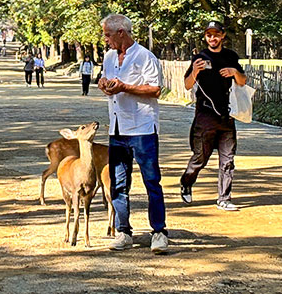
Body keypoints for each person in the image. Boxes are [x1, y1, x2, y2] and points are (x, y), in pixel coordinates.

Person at [98, 14, 168, 253]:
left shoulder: (145, 57)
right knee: (118, 184)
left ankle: (159, 231)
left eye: (108, 34)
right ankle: (123, 231)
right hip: (117, 128)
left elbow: (156, 90)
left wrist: (125, 86)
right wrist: (105, 86)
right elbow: (110, 86)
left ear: (121, 33)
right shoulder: (108, 57)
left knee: (151, 181)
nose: (105, 39)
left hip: (143, 128)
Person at [181, 20, 247, 212]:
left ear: (222, 36)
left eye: (216, 34)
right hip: (205, 116)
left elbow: (242, 81)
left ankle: (224, 198)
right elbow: (186, 84)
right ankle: (186, 181)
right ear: (205, 37)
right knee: (200, 157)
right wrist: (195, 71)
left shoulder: (230, 56)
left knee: (228, 159)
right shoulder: (199, 57)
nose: (213, 38)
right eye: (209, 35)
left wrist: (235, 72)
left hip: (227, 116)